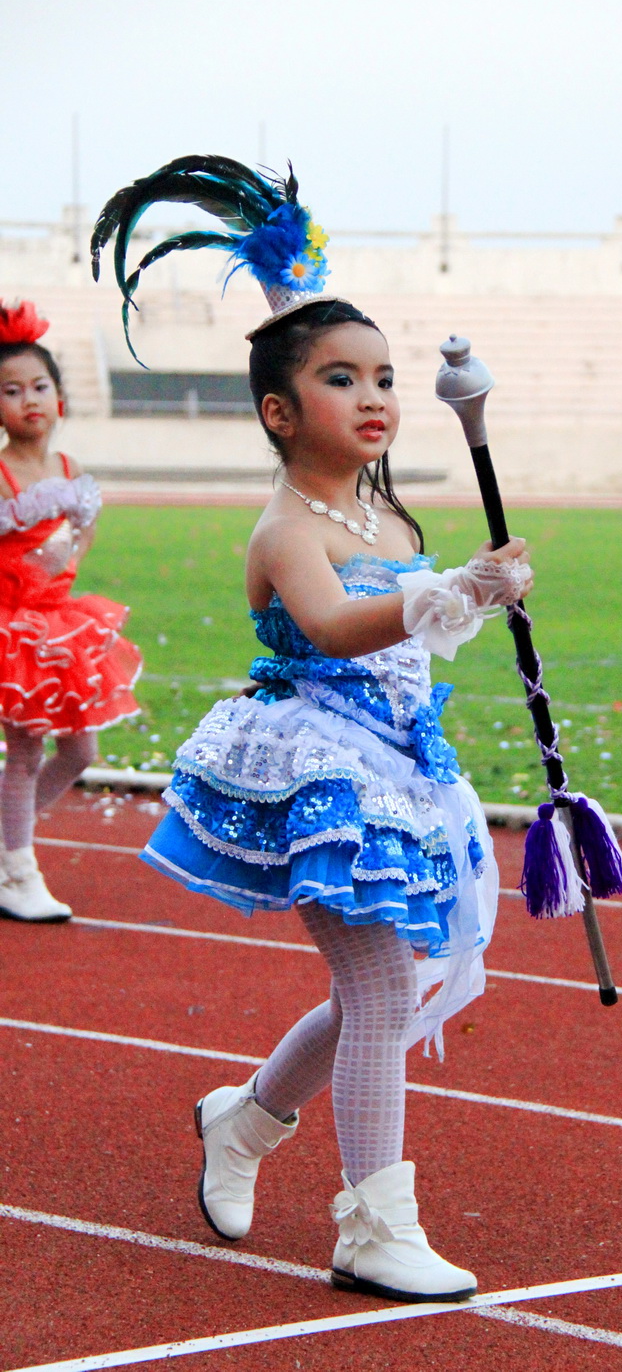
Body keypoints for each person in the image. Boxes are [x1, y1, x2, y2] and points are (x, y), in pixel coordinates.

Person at [93, 157, 532, 1302]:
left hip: (397, 765)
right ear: (282, 412)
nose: (376, 395)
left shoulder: (381, 507)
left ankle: (243, 1119)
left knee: (386, 984)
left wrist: (469, 597)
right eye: (343, 378)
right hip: (314, 769)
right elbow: (337, 626)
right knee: (386, 987)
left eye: (384, 375)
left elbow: (407, 639)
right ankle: (372, 1229)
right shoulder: (288, 525)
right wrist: (458, 591)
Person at [0, 300, 142, 922]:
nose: (29, 400)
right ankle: (17, 871)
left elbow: (82, 528)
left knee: (80, 753)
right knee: (26, 752)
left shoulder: (68, 469)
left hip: (61, 628)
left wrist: (69, 550)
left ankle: (9, 835)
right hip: (12, 627)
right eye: (10, 390)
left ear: (59, 396)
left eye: (40, 386)